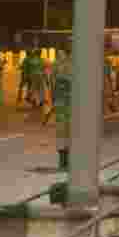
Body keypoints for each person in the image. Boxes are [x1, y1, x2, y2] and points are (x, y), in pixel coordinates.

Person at [49, 37, 73, 171]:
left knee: (61, 132)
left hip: (60, 102)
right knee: (72, 132)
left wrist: (53, 100)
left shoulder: (56, 64)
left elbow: (52, 83)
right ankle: (71, 161)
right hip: (74, 103)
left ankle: (63, 162)